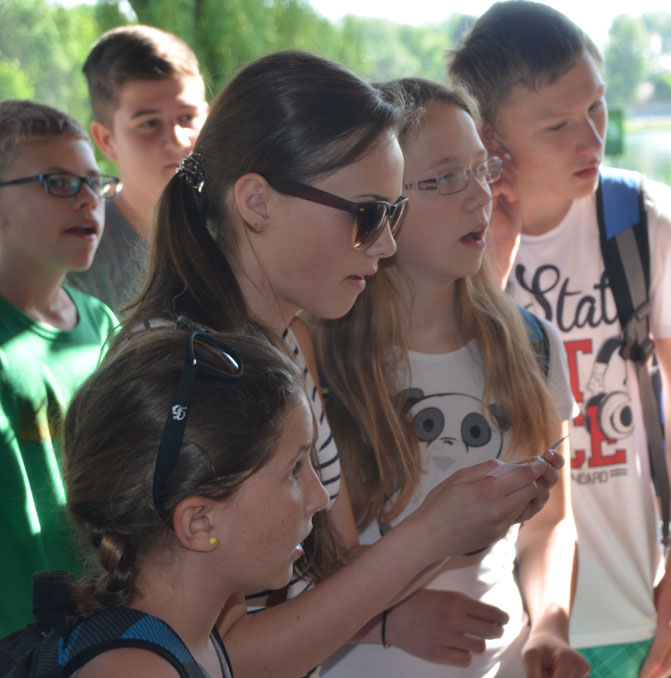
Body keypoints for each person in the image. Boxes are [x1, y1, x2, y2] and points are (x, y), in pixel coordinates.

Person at [112, 50, 558, 678]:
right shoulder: (188, 376)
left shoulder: (284, 344)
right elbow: (215, 655)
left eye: (394, 213)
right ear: (257, 202)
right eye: (368, 215)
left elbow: (331, 571)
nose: (387, 243)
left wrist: (470, 520)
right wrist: (433, 532)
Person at [450, 4, 671, 676]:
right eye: (558, 126)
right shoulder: (441, 241)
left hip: (630, 601)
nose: (592, 139)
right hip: (487, 618)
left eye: (596, 107)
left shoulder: (643, 219)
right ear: (490, 137)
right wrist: (494, 261)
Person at [315, 77, 588, 678]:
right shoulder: (314, 355)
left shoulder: (533, 343)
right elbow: (285, 573)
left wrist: (549, 626)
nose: (480, 196)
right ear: (377, 200)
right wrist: (384, 619)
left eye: (481, 169)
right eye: (444, 179)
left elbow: (549, 525)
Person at [61, 325, 327, 677]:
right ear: (200, 523)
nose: (320, 497)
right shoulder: (138, 671)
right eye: (294, 468)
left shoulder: (192, 640)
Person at [0, 99, 120, 635]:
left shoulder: (103, 325)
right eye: (59, 182)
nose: (88, 199)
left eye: (95, 182)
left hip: (99, 628)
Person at [66, 24, 209, 315]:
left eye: (187, 117)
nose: (177, 140)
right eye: (149, 123)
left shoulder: (246, 227)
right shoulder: (79, 260)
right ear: (107, 141)